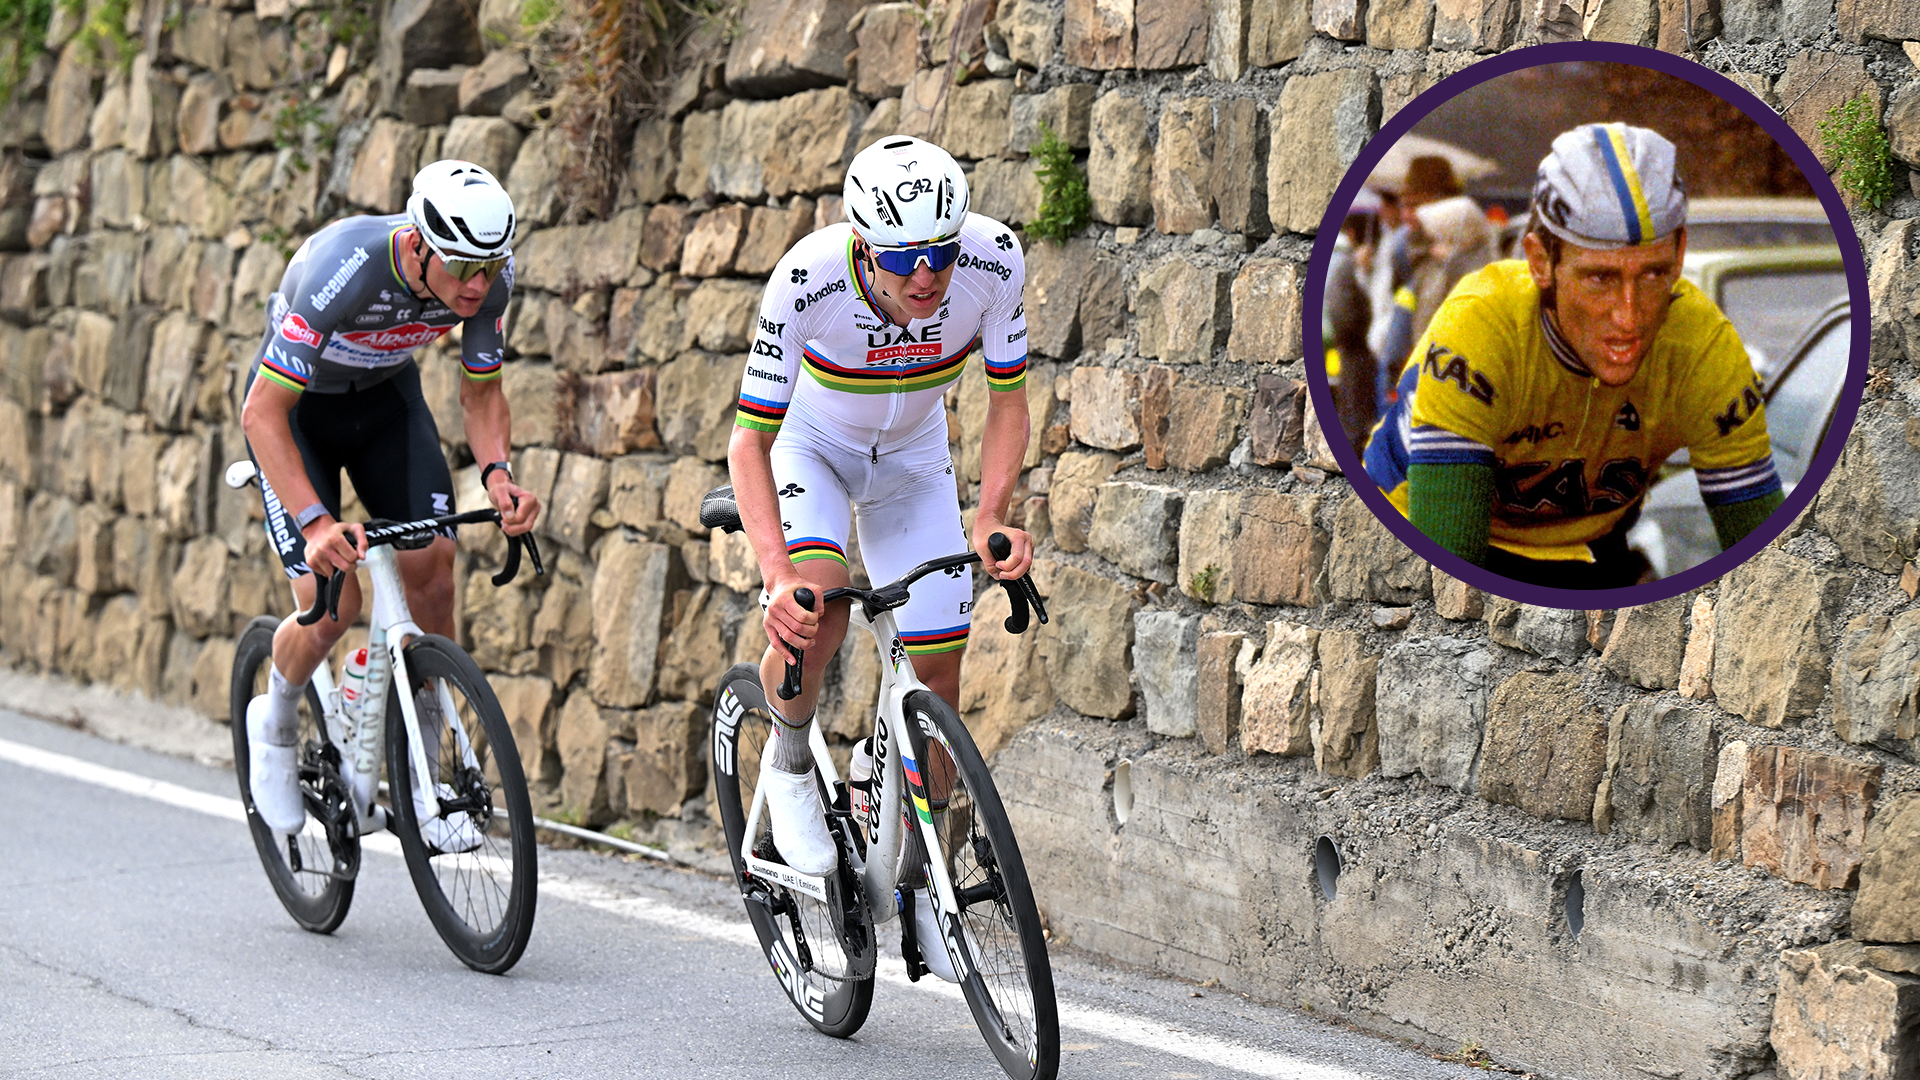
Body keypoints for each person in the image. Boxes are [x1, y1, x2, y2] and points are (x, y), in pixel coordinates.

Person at [727, 136, 1034, 980]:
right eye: (903, 258)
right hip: (813, 453)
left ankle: (921, 879)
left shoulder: (995, 260)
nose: (927, 277)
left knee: (938, 672)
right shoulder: (808, 279)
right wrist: (777, 572)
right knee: (818, 610)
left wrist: (992, 515)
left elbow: (1008, 401)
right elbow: (749, 443)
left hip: (913, 463)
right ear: (864, 246)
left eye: (940, 252)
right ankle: (791, 764)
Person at [238, 161, 541, 847]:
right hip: (296, 414)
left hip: (384, 404)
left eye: (489, 269)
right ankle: (275, 719)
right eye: (461, 268)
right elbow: (261, 413)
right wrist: (316, 522)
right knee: (332, 602)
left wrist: (498, 475)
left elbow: (482, 393)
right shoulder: (345, 268)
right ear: (418, 245)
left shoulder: (489, 280)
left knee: (433, 572)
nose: (476, 286)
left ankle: (424, 776)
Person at [1363, 123, 1783, 589]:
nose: (1628, 317)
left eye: (1652, 275)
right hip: (1415, 518)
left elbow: (1768, 564)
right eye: (1599, 278)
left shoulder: (1703, 348)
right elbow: (1444, 578)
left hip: (1583, 544)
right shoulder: (1483, 325)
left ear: (1680, 253)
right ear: (1540, 261)